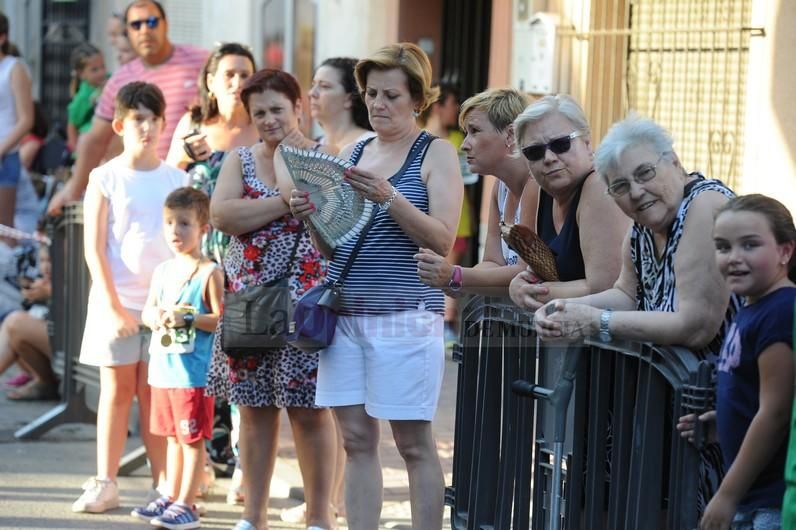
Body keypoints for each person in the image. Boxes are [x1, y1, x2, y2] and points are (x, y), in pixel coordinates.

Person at [286, 42, 463, 530]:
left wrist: (389, 197)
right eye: (371, 94)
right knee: (357, 441)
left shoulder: (437, 153)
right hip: (344, 318)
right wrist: (312, 220)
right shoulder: (356, 151)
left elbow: (442, 240)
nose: (378, 104)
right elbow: (333, 248)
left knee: (411, 443)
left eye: (391, 95)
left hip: (405, 316)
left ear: (417, 100)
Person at [533, 114, 740, 515]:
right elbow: (626, 294)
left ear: (675, 163)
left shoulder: (705, 205)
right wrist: (562, 309)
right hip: (669, 410)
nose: (637, 191)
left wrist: (598, 322)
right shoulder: (643, 228)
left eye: (646, 173)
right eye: (621, 187)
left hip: (719, 411)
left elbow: (694, 325)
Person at [207, 68, 336, 530]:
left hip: (308, 304)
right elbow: (222, 215)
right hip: (251, 300)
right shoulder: (239, 160)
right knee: (254, 410)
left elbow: (336, 221)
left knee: (309, 412)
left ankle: (320, 516)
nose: (268, 119)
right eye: (259, 112)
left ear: (298, 107)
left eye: (277, 109)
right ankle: (252, 516)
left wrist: (257, 210)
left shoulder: (324, 156)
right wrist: (286, 203)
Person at [71, 81, 189, 514]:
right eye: (137, 118)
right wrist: (115, 306)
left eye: (153, 118)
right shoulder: (104, 177)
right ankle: (106, 481)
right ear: (120, 124)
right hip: (114, 302)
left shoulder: (178, 178)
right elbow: (94, 247)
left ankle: (163, 484)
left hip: (164, 308)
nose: (146, 126)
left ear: (163, 123)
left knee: (155, 393)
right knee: (116, 392)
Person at [279, 55, 376, 526]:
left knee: (351, 418)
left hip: (361, 293)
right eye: (311, 86)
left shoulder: (363, 149)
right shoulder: (319, 147)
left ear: (350, 97)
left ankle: (334, 504)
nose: (312, 94)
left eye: (322, 86)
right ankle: (330, 501)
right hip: (323, 288)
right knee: (332, 409)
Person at [676, 195, 795, 530]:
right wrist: (729, 421)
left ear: (785, 251)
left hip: (768, 504)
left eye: (750, 245)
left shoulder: (781, 311)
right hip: (754, 498)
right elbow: (757, 397)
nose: (734, 258)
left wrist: (726, 495)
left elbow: (776, 412)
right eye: (723, 247)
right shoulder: (753, 306)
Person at [48, 0, 207, 215]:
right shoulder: (119, 80)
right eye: (136, 25)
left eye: (152, 22)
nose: (145, 30)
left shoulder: (201, 61)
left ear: (165, 23)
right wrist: (72, 190)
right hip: (143, 192)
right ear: (128, 32)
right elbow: (95, 140)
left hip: (197, 187)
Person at [130, 187, 223, 529]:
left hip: (192, 374)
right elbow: (147, 310)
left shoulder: (208, 272)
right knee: (171, 437)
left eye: (184, 223)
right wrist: (153, 317)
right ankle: (170, 494)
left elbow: (219, 318)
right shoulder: (162, 271)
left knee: (191, 439)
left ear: (203, 228)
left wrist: (189, 318)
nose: (175, 231)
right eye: (169, 223)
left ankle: (188, 502)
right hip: (163, 370)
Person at [507, 94, 628, 311]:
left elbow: (605, 288)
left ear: (587, 143)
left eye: (561, 144)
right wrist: (519, 283)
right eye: (534, 152)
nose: (549, 158)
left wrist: (533, 292)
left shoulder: (598, 187)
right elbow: (534, 270)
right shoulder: (539, 190)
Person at [415, 88, 534, 298]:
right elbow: (493, 262)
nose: (464, 144)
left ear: (510, 134)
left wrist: (456, 276)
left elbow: (524, 272)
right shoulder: (500, 186)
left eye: (475, 131)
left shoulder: (535, 184)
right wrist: (453, 282)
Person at [418, 83, 476, 344]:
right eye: (453, 104)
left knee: (449, 271)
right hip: (426, 220)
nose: (456, 110)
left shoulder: (457, 141)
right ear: (438, 106)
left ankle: (446, 326)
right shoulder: (417, 142)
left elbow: (470, 177)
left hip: (459, 220)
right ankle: (439, 325)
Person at [0, 244, 58, 401]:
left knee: (15, 321)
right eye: (43, 260)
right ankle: (45, 383)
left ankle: (45, 383)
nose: (46, 267)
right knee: (15, 330)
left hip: (75, 348)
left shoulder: (72, 280)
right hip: (57, 348)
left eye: (51, 260)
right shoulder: (43, 281)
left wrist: (52, 293)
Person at [0, 11, 34, 243]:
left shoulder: (14, 68)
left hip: (5, 157)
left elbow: (26, 120)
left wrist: (1, 149)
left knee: (4, 229)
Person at [308, 57, 374, 150]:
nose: (311, 93)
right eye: (313, 85)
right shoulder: (314, 145)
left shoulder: (370, 146)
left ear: (349, 98)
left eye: (324, 86)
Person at [67, 43, 107, 153]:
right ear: (81, 74)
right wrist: (77, 154)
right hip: (90, 146)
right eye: (94, 70)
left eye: (103, 67)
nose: (101, 73)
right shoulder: (82, 97)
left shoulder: (110, 80)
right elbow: (72, 126)